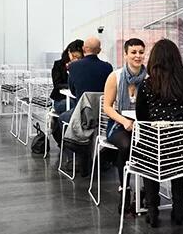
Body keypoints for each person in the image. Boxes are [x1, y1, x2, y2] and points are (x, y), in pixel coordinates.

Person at [135, 39, 183, 228]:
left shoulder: (147, 85)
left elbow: (141, 118)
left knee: (149, 161)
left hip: (156, 144)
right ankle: (178, 210)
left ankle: (152, 210)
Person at [54, 36, 112, 173]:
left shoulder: (74, 66)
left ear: (84, 49)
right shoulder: (107, 67)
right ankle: (97, 157)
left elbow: (73, 90)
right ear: (99, 50)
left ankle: (74, 158)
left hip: (82, 113)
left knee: (62, 119)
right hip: (103, 115)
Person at [102, 38, 147, 200]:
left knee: (148, 146)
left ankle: (146, 189)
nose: (138, 56)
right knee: (126, 145)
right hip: (118, 124)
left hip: (142, 124)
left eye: (141, 52)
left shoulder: (149, 78)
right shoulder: (115, 76)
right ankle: (125, 186)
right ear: (125, 55)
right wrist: (125, 121)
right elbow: (107, 107)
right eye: (133, 52)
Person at [51, 39, 83, 115]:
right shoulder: (59, 64)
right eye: (74, 56)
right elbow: (57, 84)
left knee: (80, 105)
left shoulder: (82, 66)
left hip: (78, 98)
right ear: (69, 52)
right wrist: (71, 86)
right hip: (61, 98)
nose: (76, 59)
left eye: (79, 58)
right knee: (73, 105)